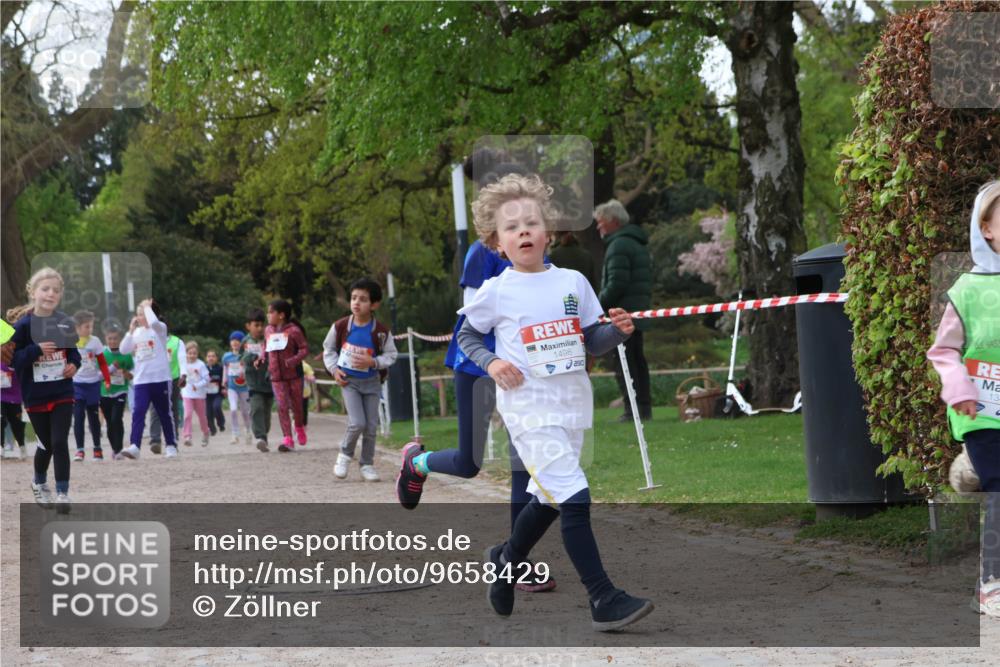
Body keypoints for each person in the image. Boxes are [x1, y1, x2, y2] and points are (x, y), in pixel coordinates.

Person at [398, 174, 653, 631]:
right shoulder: (498, 290)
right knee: (573, 496)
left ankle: (506, 561)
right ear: (497, 243)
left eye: (531, 223)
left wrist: (616, 332)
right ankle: (602, 597)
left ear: (548, 231)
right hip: (528, 410)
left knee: (548, 499)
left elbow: (592, 340)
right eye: (511, 227)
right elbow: (466, 336)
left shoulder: (574, 282)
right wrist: (493, 362)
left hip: (571, 407)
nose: (523, 232)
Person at [928, 180, 1000, 619]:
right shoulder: (967, 290)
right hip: (982, 412)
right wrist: (958, 390)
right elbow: (944, 351)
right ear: (986, 229)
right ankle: (991, 583)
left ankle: (972, 466)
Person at [9, 267, 81, 512]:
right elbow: (13, 361)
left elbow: (74, 354)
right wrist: (36, 350)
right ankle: (39, 482)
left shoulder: (65, 323)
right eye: (45, 289)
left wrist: (74, 365)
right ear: (33, 292)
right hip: (35, 396)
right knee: (47, 444)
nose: (51, 294)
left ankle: (62, 493)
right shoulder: (23, 326)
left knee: (60, 442)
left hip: (62, 392)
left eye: (56, 290)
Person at [323, 278, 397, 482]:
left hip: (372, 383)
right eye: (354, 298)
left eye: (363, 299)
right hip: (349, 382)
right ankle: (344, 455)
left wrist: (373, 362)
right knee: (357, 423)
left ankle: (367, 464)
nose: (356, 303)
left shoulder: (381, 331)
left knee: (371, 427)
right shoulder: (340, 326)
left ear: (374, 304)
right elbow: (328, 349)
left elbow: (391, 355)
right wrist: (334, 370)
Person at [594, 199, 653, 422]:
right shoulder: (635, 242)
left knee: (625, 363)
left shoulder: (618, 245)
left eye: (601, 222)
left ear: (614, 221)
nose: (598, 227)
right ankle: (643, 409)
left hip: (622, 315)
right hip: (637, 312)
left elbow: (617, 283)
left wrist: (596, 306)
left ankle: (632, 410)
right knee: (638, 362)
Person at [119, 299, 179, 460]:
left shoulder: (160, 328)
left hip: (160, 378)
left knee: (164, 413)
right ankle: (135, 446)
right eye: (138, 314)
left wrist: (147, 307)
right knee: (138, 412)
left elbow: (154, 322)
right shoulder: (137, 333)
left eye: (143, 314)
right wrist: (130, 331)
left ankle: (171, 445)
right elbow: (123, 350)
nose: (139, 318)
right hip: (141, 380)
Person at [262, 300, 309, 452]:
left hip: (294, 375)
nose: (268, 315)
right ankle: (288, 438)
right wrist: (261, 358)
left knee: (297, 406)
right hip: (276, 377)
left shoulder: (294, 331)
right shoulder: (268, 330)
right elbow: (265, 346)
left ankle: (299, 427)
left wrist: (293, 360)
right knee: (282, 406)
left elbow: (304, 349)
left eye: (271, 312)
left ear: (281, 315)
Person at [71, 310, 111, 461]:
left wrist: (107, 379)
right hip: (77, 384)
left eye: (91, 326)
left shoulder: (95, 342)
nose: (90, 329)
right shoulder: (71, 341)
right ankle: (80, 450)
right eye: (86, 326)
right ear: (77, 328)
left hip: (93, 384)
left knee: (94, 418)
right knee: (78, 417)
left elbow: (102, 363)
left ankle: (97, 449)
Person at [148, 319, 184, 454]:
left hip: (173, 379)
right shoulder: (149, 341)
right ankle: (155, 440)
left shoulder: (176, 342)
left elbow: (182, 359)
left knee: (172, 409)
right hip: (155, 378)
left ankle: (173, 439)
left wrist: (183, 374)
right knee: (154, 408)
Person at [241, 309, 273, 452]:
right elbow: (242, 358)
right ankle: (260, 438)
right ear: (248, 326)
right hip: (253, 383)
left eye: (262, 325)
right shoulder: (246, 341)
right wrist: (254, 356)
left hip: (269, 382)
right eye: (256, 325)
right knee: (257, 408)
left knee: (266, 412)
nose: (260, 328)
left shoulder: (269, 339)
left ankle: (264, 435)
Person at [100, 325, 133, 459]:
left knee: (116, 419)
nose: (113, 341)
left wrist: (126, 373)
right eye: (110, 339)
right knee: (109, 422)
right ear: (106, 339)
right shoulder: (102, 354)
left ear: (120, 339)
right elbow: (97, 374)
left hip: (120, 391)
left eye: (115, 339)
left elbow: (132, 374)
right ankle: (115, 448)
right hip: (105, 392)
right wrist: (109, 371)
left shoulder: (126, 355)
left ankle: (119, 449)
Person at [180, 341, 211, 447]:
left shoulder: (201, 364)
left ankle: (206, 432)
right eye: (190, 353)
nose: (192, 355)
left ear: (197, 353)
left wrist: (197, 385)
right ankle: (187, 436)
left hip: (199, 395)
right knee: (187, 415)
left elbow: (207, 379)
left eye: (194, 353)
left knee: (202, 417)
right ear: (186, 353)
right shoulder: (183, 364)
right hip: (187, 393)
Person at [222, 331, 251, 445]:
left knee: (245, 411)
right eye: (233, 340)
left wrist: (246, 373)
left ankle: (248, 430)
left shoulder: (246, 355)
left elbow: (251, 368)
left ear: (242, 343)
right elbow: (225, 369)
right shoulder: (226, 357)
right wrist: (224, 382)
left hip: (244, 388)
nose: (235, 342)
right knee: (233, 409)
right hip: (232, 387)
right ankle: (235, 434)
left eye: (238, 340)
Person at [1, 340, 26, 460]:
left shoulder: (17, 358)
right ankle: (1, 447)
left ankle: (22, 446)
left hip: (15, 397)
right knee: (0, 420)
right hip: (1, 396)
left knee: (17, 424)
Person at [204, 348, 226, 436]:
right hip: (206, 395)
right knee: (208, 413)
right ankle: (212, 429)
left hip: (218, 394)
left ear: (216, 358)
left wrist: (224, 388)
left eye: (213, 356)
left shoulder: (220, 368)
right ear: (206, 358)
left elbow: (224, 378)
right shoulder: (203, 368)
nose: (211, 358)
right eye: (209, 356)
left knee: (216, 407)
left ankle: (221, 423)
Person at [301, 360, 316, 426]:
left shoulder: (305, 366)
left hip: (304, 393)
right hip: (293, 393)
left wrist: (305, 377)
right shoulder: (291, 364)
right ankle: (296, 423)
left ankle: (304, 425)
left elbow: (313, 379)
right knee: (296, 410)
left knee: (304, 410)